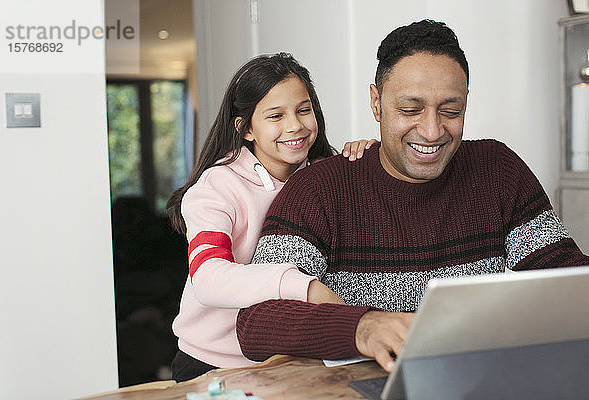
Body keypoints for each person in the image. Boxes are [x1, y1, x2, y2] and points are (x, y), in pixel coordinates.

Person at [235, 20, 589, 373]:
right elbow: (256, 322)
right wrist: (361, 326)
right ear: (376, 103)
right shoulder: (317, 191)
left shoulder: (497, 170)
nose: (432, 131)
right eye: (410, 110)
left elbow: (567, 276)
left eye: (451, 111)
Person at [165, 52, 375, 381]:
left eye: (303, 110)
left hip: (293, 360)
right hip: (214, 365)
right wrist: (304, 287)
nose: (295, 125)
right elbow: (208, 277)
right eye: (275, 116)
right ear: (246, 128)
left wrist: (368, 161)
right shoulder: (217, 188)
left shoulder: (325, 176)